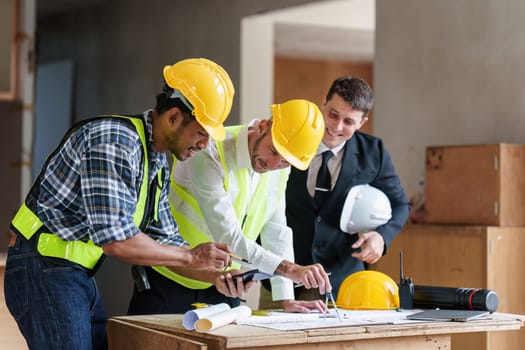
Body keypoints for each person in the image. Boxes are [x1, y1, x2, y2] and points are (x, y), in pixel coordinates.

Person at [4, 58, 249, 350]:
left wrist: (216, 278)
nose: (205, 144)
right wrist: (192, 258)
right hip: (43, 266)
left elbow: (168, 241)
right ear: (173, 117)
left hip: (74, 271)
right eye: (201, 133)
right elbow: (117, 241)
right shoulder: (115, 141)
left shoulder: (155, 161)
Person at [127, 99, 333, 315]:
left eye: (285, 161)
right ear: (263, 126)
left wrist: (286, 298)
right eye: (273, 150)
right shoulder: (209, 151)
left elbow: (276, 229)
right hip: (170, 280)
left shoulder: (280, 167)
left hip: (224, 284)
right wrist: (291, 270)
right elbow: (228, 236)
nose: (273, 165)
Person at [259, 76, 410, 307]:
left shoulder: (374, 152)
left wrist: (381, 237)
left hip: (343, 283)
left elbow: (400, 204)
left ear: (362, 122)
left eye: (349, 121)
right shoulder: (292, 136)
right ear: (323, 104)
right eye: (333, 114)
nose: (336, 127)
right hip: (282, 279)